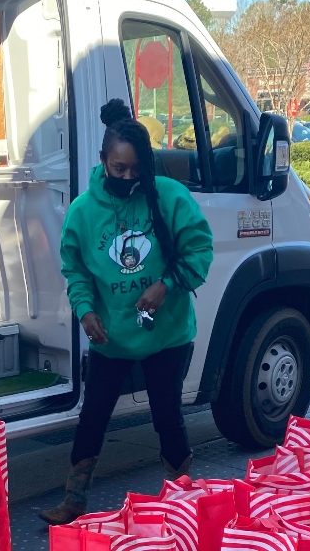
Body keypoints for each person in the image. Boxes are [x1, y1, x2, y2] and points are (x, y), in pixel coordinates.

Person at [39, 99, 214, 526]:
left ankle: (181, 501)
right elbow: (75, 268)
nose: (128, 177)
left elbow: (199, 251)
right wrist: (84, 311)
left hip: (167, 333)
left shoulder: (170, 197)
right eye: (119, 169)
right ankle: (74, 500)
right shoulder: (83, 212)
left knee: (166, 415)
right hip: (112, 336)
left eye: (137, 169)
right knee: (93, 414)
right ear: (103, 162)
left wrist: (166, 285)